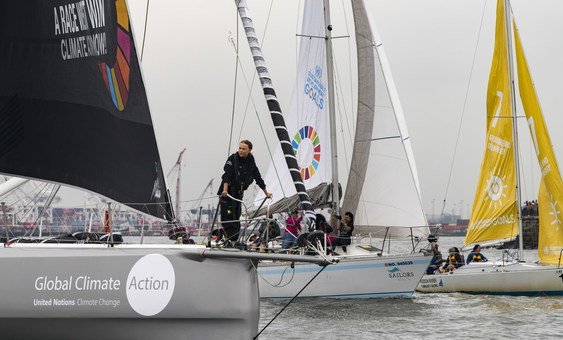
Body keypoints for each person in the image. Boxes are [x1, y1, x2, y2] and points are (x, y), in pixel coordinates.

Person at [218, 140, 272, 247]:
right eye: (240, 148)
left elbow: (258, 177)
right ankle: (229, 240)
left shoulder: (251, 162)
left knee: (236, 216)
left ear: (249, 150)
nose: (241, 151)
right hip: (227, 192)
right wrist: (224, 190)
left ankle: (234, 241)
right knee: (227, 216)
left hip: (238, 193)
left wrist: (266, 193)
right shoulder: (232, 159)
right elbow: (227, 175)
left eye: (244, 149)